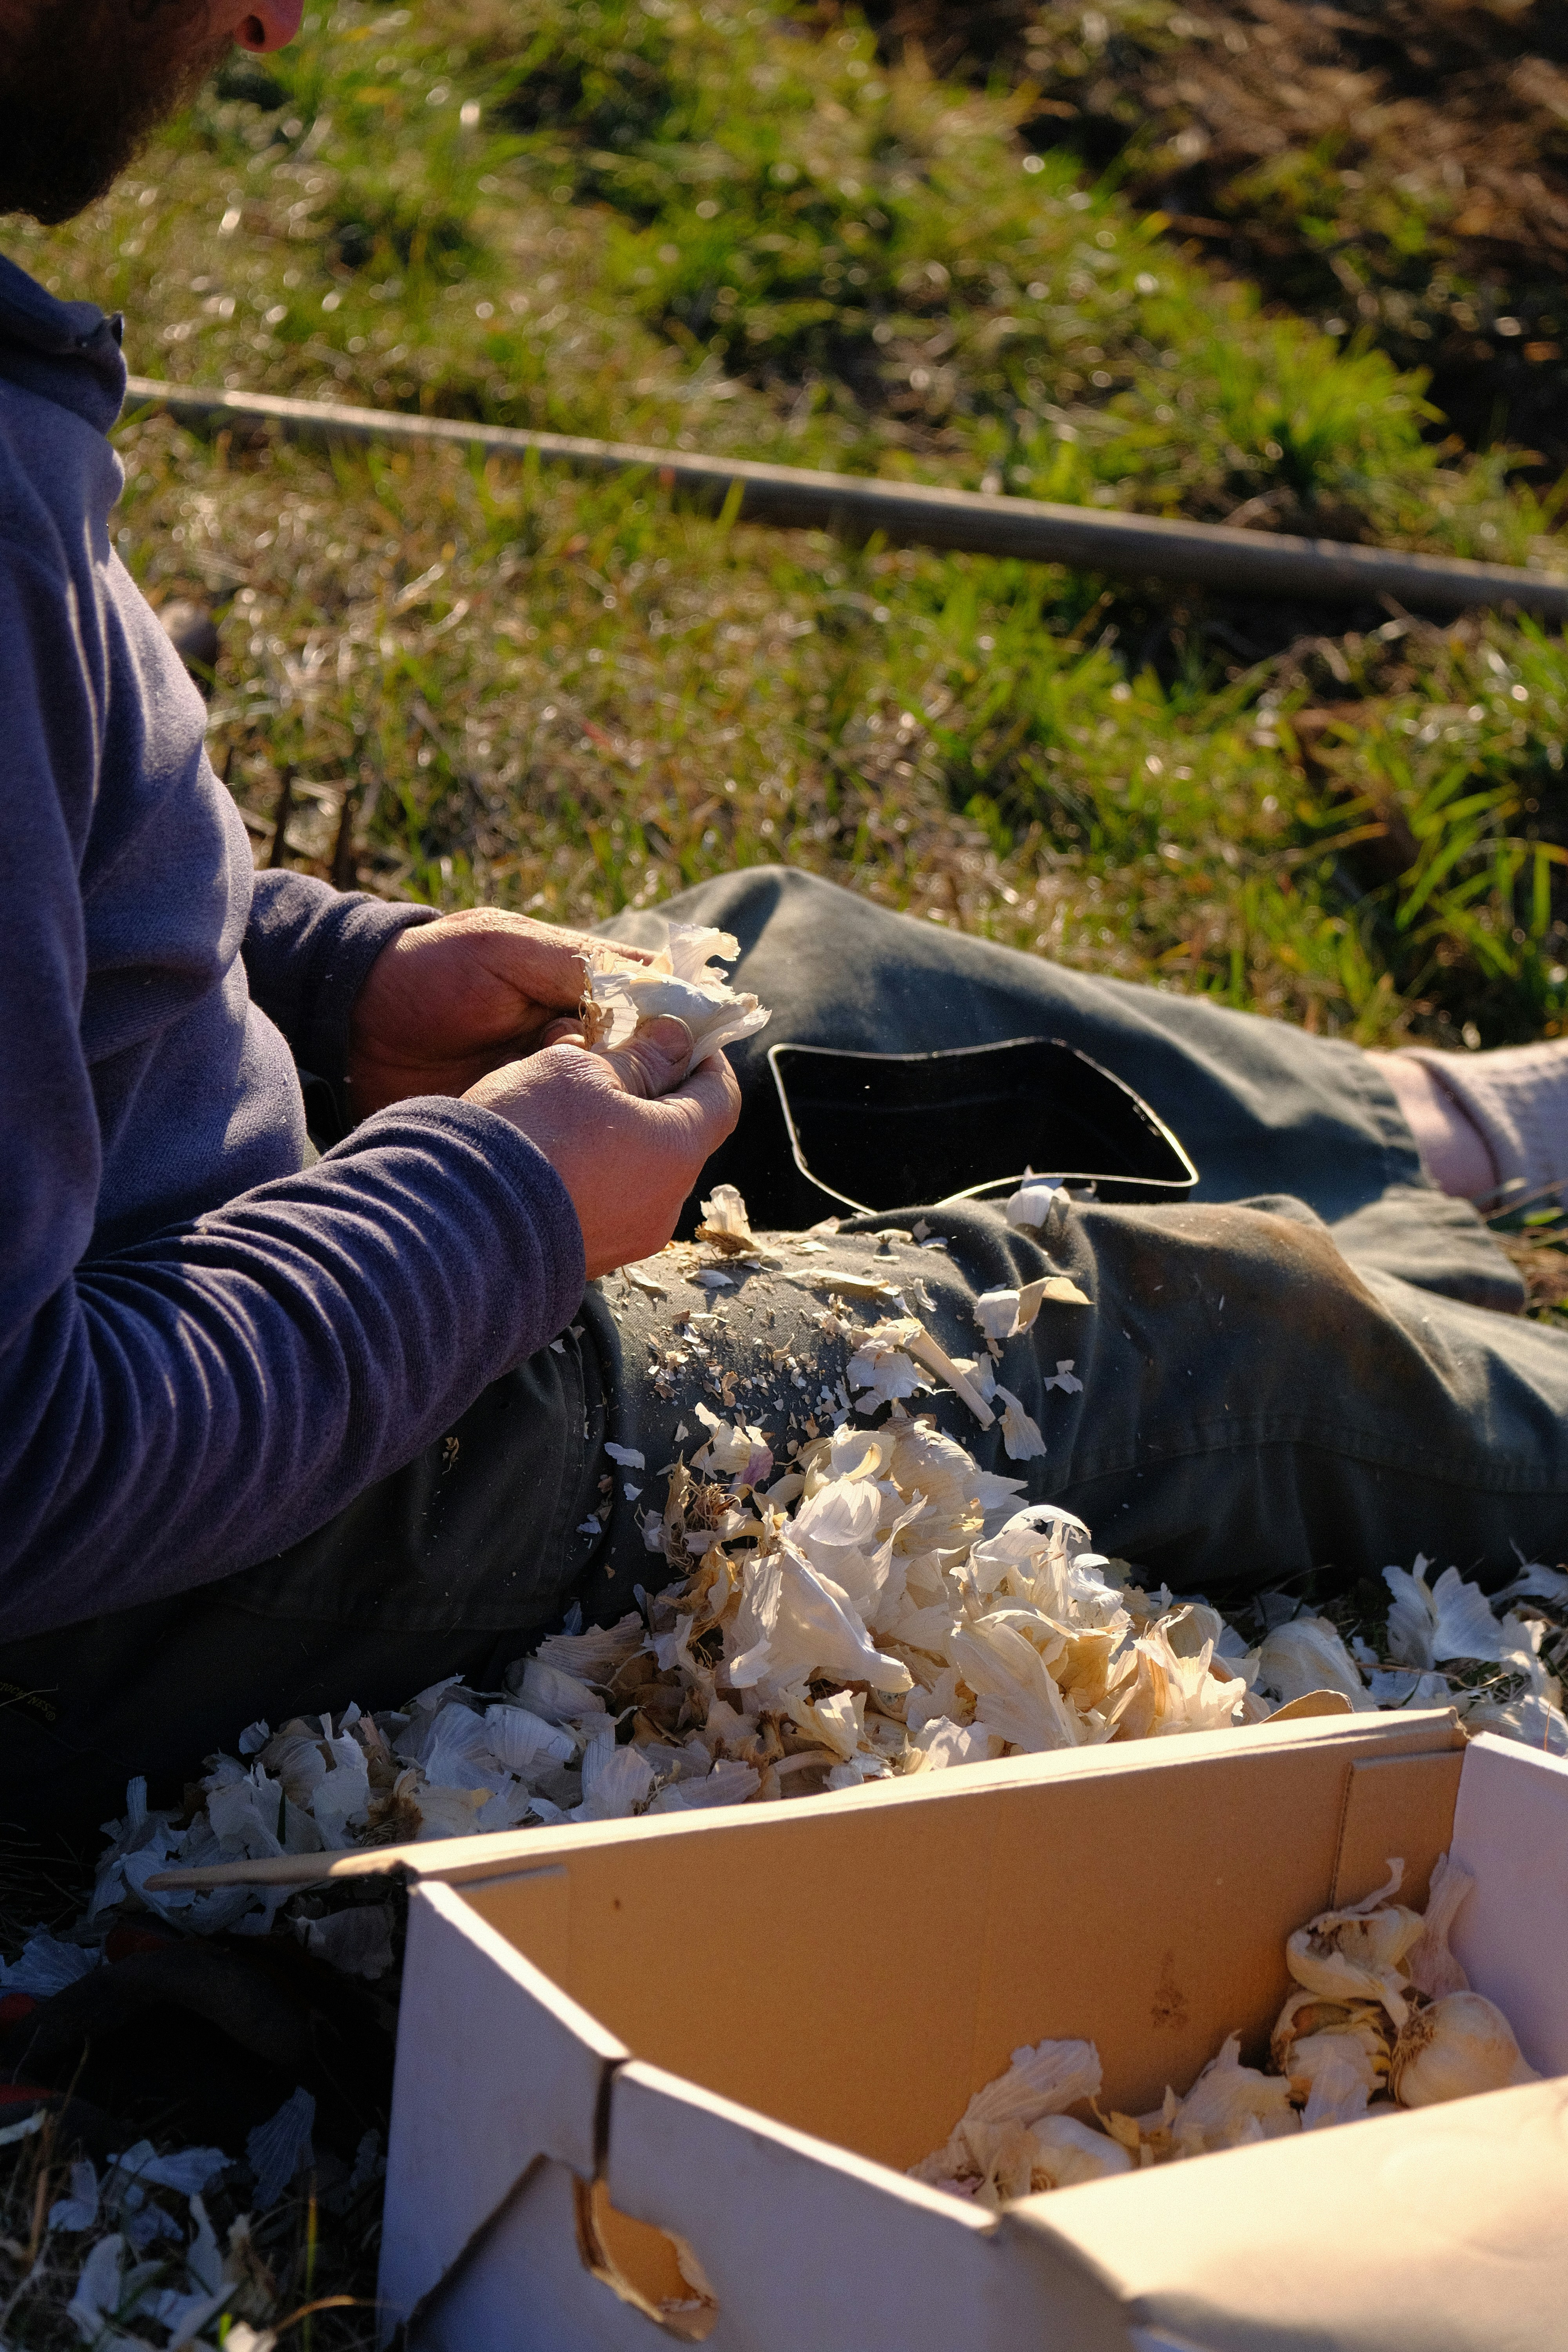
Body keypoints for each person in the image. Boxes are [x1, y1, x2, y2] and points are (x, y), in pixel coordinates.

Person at [3, 0, 1567, 1830]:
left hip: (165, 1303)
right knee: (1075, 1326)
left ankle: (1413, 1140)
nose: (274, 18)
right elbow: (30, 1476)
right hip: (180, 1569)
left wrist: (330, 978)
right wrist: (502, 1207)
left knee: (785, 954)